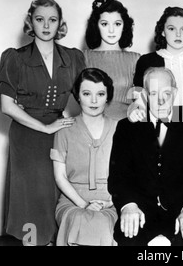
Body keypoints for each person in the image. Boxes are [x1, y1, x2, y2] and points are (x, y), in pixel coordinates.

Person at [0, 0, 86, 246]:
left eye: (52, 19)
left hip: (60, 132)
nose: (46, 25)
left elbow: (85, 96)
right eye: (39, 19)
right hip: (27, 136)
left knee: (57, 193)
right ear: (30, 22)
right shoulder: (15, 57)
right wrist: (45, 127)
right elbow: (6, 105)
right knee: (30, 197)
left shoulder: (74, 57)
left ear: (60, 24)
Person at [109, 67, 183, 246]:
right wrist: (129, 205)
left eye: (167, 93)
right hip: (140, 212)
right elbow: (119, 176)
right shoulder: (127, 127)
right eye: (153, 94)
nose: (161, 100)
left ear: (175, 92)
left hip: (180, 212)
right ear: (145, 95)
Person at [51, 68, 118, 246]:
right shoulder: (64, 130)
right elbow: (60, 177)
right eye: (87, 93)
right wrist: (83, 204)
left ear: (108, 96)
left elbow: (129, 175)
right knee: (79, 219)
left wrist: (110, 202)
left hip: (110, 201)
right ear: (78, 96)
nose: (94, 100)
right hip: (73, 201)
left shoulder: (120, 129)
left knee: (102, 223)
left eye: (101, 94)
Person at [129, 6, 183, 124]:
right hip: (156, 128)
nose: (178, 34)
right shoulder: (146, 61)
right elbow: (138, 102)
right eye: (171, 29)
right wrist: (135, 112)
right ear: (163, 31)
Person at [84, 0, 140, 121]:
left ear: (124, 26)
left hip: (125, 128)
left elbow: (144, 100)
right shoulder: (83, 57)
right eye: (104, 24)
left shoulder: (135, 59)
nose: (111, 30)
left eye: (117, 24)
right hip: (92, 126)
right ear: (96, 26)